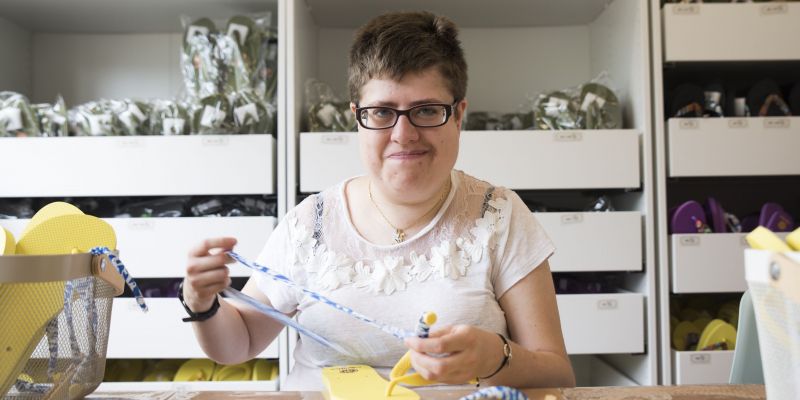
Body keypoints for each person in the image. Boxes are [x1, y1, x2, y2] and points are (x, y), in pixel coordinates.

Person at [181, 10, 576, 391]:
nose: (404, 135)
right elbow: (240, 343)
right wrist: (201, 302)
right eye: (382, 112)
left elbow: (557, 376)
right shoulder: (310, 224)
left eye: (426, 110)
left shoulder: (500, 216)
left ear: (459, 116)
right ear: (357, 118)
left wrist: (497, 357)